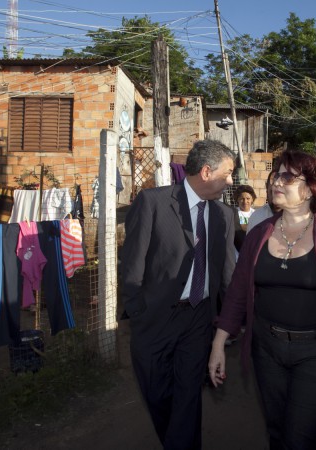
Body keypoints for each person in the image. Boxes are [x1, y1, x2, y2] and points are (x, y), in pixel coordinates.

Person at [208, 151, 316, 449]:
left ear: (311, 187)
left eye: (287, 177)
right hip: (266, 349)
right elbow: (236, 294)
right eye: (276, 176)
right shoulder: (259, 233)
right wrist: (219, 343)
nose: (276, 183)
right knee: (277, 433)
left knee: (301, 440)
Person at [121, 139, 237, 449]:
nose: (230, 182)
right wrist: (137, 311)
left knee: (188, 399)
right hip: (156, 318)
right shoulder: (153, 202)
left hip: (199, 319)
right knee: (158, 395)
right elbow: (132, 264)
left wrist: (230, 319)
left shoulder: (224, 215)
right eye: (227, 174)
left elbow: (226, 272)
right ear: (207, 171)